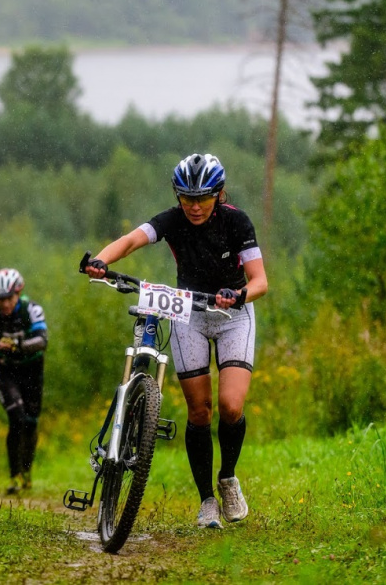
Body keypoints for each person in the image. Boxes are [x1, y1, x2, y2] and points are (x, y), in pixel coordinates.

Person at [83, 153, 267, 529]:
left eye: (202, 198)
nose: (194, 206)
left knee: (230, 405)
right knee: (199, 411)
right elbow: (133, 239)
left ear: (218, 194)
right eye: (186, 198)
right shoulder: (172, 219)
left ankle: (228, 478)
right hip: (189, 312)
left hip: (234, 313)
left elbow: (260, 280)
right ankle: (206, 501)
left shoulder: (236, 221)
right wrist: (99, 260)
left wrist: (239, 295)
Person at [0, 268, 48, 494]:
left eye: (8, 299)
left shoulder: (32, 309)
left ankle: (27, 470)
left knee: (30, 422)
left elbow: (42, 339)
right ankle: (15, 476)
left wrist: (20, 345)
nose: (5, 304)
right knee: (16, 419)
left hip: (32, 369)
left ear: (18, 294)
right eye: (0, 300)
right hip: (5, 370)